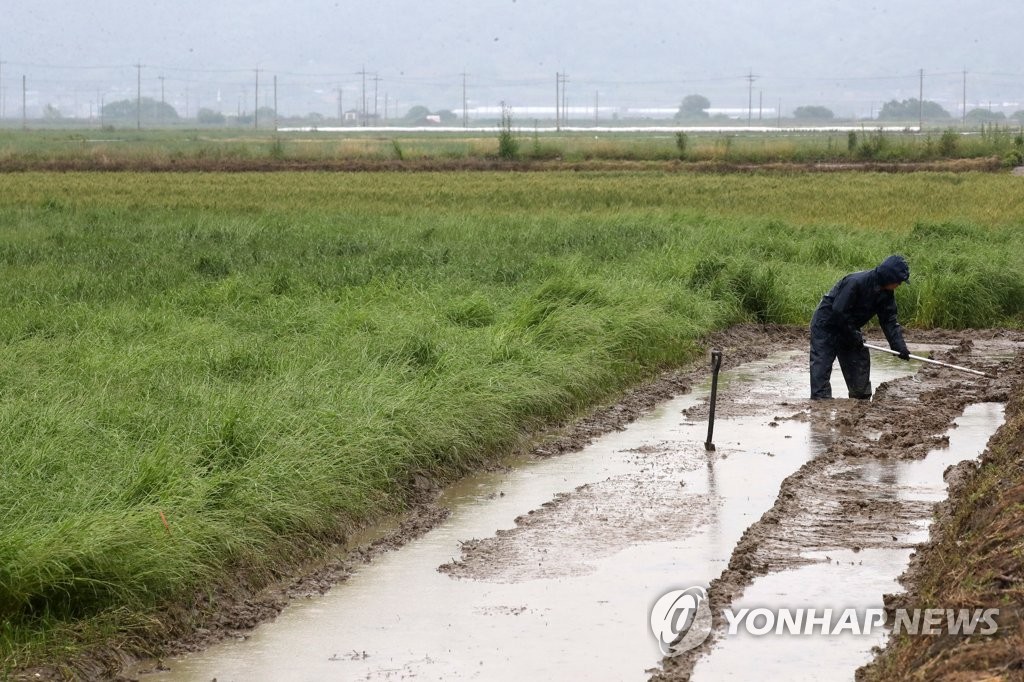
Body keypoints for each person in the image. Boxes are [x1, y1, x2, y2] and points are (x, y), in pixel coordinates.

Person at [810, 255, 911, 400]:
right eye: (899, 281)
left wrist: (899, 346)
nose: (900, 284)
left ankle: (860, 400)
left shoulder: (887, 294)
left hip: (849, 327)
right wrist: (853, 335)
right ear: (889, 277)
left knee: (858, 365)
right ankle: (820, 404)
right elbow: (839, 311)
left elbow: (889, 320)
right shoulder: (856, 282)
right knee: (821, 366)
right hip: (826, 325)